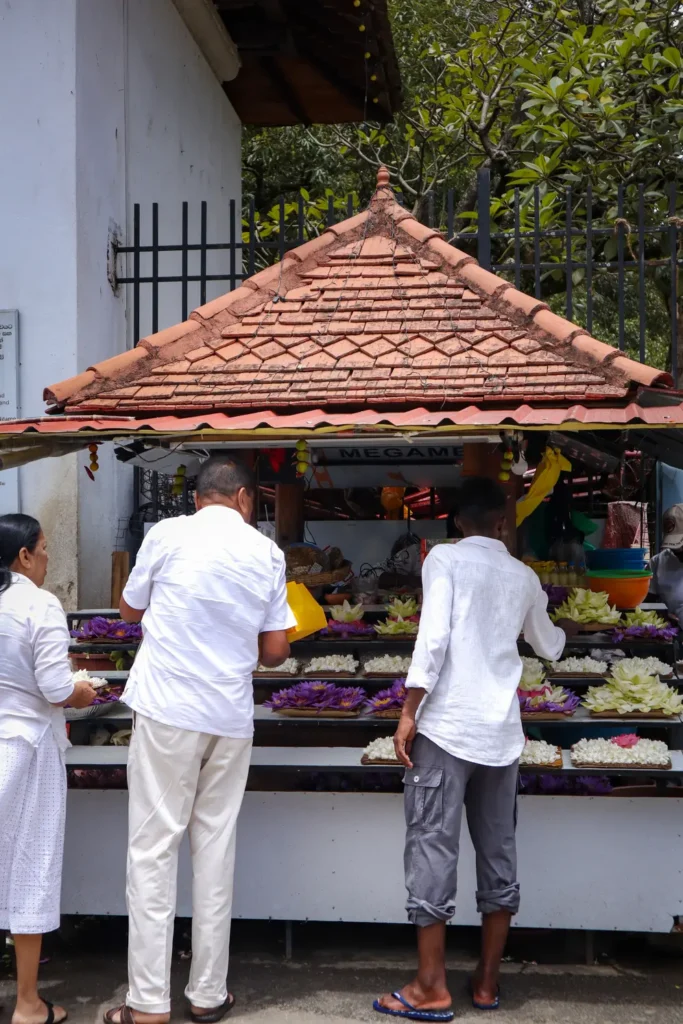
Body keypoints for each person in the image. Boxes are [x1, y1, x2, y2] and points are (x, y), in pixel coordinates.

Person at [374, 477, 576, 1022]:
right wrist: (564, 625)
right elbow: (549, 644)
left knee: (432, 851)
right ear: (502, 524)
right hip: (500, 736)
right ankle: (487, 983)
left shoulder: (444, 560)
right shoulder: (524, 575)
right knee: (498, 855)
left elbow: (432, 637)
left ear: (458, 522)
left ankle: (430, 986)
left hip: (446, 728)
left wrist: (409, 710)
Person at [105, 457, 292, 1024]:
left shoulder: (167, 534)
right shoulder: (266, 551)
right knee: (215, 850)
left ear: (199, 498)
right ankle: (208, 995)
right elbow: (277, 651)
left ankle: (148, 1005)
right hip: (228, 716)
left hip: (167, 708)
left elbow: (128, 608)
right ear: (242, 498)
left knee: (152, 850)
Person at [0, 514, 97, 1024]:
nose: (47, 558)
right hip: (25, 751)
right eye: (44, 548)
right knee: (29, 870)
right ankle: (28, 1004)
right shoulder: (38, 603)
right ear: (23, 557)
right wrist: (84, 690)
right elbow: (58, 689)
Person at [650, 504, 683, 623]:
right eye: (675, 548)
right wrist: (662, 615)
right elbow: (648, 603)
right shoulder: (657, 562)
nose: (678, 552)